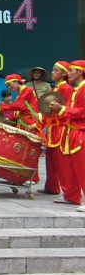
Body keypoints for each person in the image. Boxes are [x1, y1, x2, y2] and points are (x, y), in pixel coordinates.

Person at [47, 60, 85, 210]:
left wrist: (62, 109)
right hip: (71, 130)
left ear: (80, 72)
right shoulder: (76, 89)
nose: (68, 74)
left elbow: (82, 112)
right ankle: (71, 195)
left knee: (82, 167)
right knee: (71, 166)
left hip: (79, 131)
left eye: (71, 71)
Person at [41, 61, 72, 195]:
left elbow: (66, 111)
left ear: (65, 73)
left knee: (61, 163)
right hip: (52, 129)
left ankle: (67, 191)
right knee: (51, 161)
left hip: (60, 129)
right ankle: (51, 187)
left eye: (56, 70)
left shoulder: (66, 89)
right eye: (53, 70)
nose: (53, 72)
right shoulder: (54, 89)